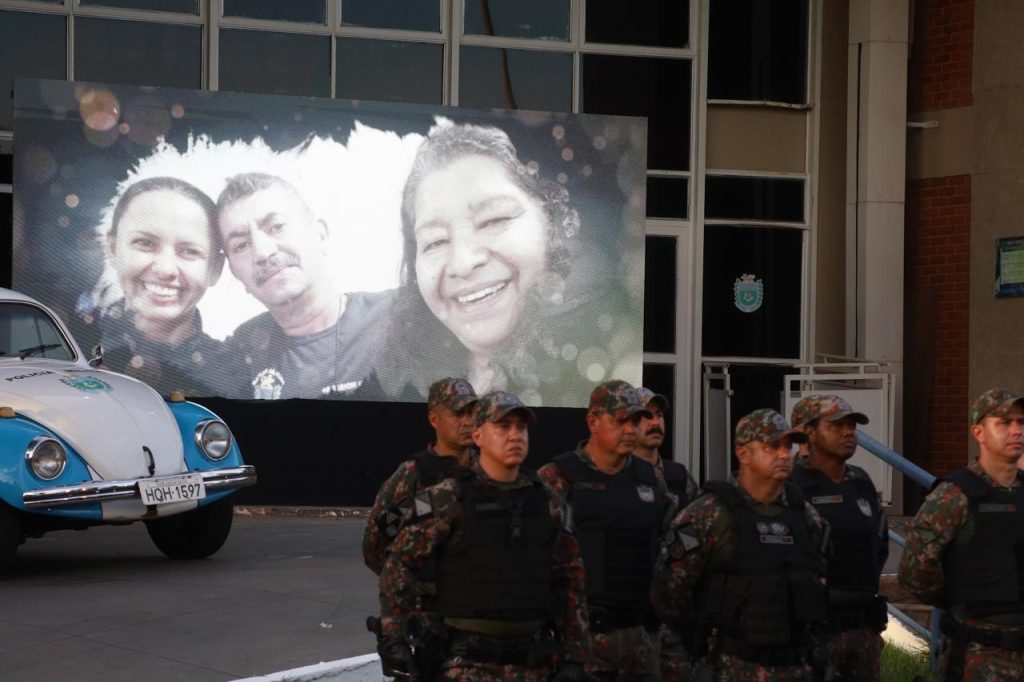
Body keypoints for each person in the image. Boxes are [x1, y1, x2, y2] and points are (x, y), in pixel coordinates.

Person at [374, 117, 641, 407]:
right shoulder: (394, 378)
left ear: (552, 223)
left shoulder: (616, 368)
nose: (462, 263)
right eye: (435, 242)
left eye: (493, 220)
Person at [377, 391, 590, 681]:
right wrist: (394, 637)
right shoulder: (446, 498)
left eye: (521, 428)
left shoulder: (548, 503)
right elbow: (397, 563)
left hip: (534, 663)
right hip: (467, 664)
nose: (515, 436)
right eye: (503, 427)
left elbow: (571, 578)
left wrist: (576, 655)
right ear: (478, 435)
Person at [652, 409, 829, 682]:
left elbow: (818, 581)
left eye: (787, 446)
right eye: (771, 447)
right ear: (743, 453)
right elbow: (669, 594)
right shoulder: (708, 515)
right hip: (731, 667)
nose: (784, 455)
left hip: (795, 667)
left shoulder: (805, 517)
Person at [538, 379, 674, 681]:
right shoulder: (558, 477)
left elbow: (667, 550)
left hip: (641, 642)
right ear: (593, 421)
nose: (630, 429)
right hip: (582, 642)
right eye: (620, 421)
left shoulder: (650, 478)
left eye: (635, 421)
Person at [216, 172, 394, 399]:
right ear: (234, 272)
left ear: (320, 235)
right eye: (241, 245)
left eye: (276, 226)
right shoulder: (239, 356)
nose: (262, 252)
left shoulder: (401, 317)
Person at [899, 388, 1024, 681]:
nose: (1016, 430)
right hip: (981, 655)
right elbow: (915, 573)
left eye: (1021, 422)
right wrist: (961, 596)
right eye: (1004, 423)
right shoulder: (954, 496)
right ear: (978, 432)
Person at [87, 176, 227, 396]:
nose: (165, 269)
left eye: (189, 251)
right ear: (113, 248)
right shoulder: (70, 344)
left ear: (215, 269)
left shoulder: (233, 376)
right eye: (145, 243)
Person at [789, 395, 888, 681]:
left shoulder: (861, 482)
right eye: (836, 425)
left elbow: (879, 545)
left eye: (851, 426)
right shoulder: (791, 485)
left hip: (862, 629)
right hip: (813, 632)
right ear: (808, 432)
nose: (848, 433)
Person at [362, 376, 479, 575]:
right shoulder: (414, 475)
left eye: (472, 413)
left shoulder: (487, 470)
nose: (468, 422)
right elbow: (376, 543)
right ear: (434, 419)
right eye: (458, 414)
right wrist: (409, 581)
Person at [633, 386, 699, 681]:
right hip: (633, 614)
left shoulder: (679, 477)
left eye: (659, 415)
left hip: (674, 616)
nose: (655, 422)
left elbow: (696, 535)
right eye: (645, 416)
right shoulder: (619, 478)